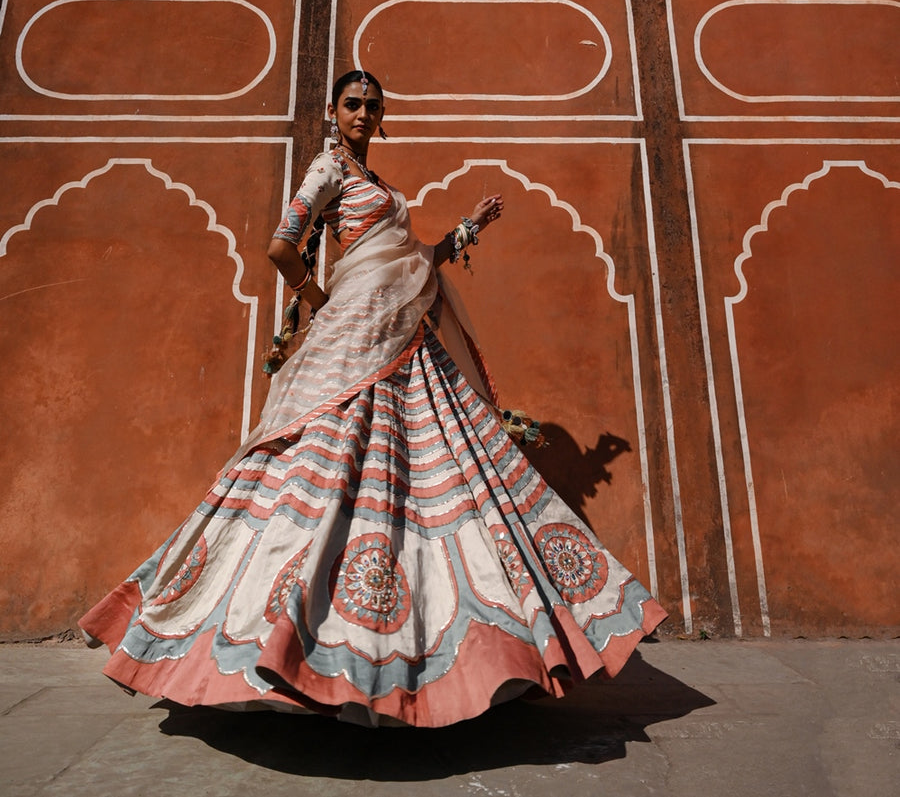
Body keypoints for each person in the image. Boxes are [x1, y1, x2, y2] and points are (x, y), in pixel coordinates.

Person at [79, 69, 665, 727]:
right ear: (334, 111)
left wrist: (467, 230)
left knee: (430, 473)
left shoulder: (381, 187)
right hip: (351, 341)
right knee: (321, 471)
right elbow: (282, 245)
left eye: (373, 105)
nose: (363, 112)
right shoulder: (328, 169)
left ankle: (436, 650)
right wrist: (320, 302)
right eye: (353, 103)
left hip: (404, 341)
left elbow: (416, 262)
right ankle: (279, 644)